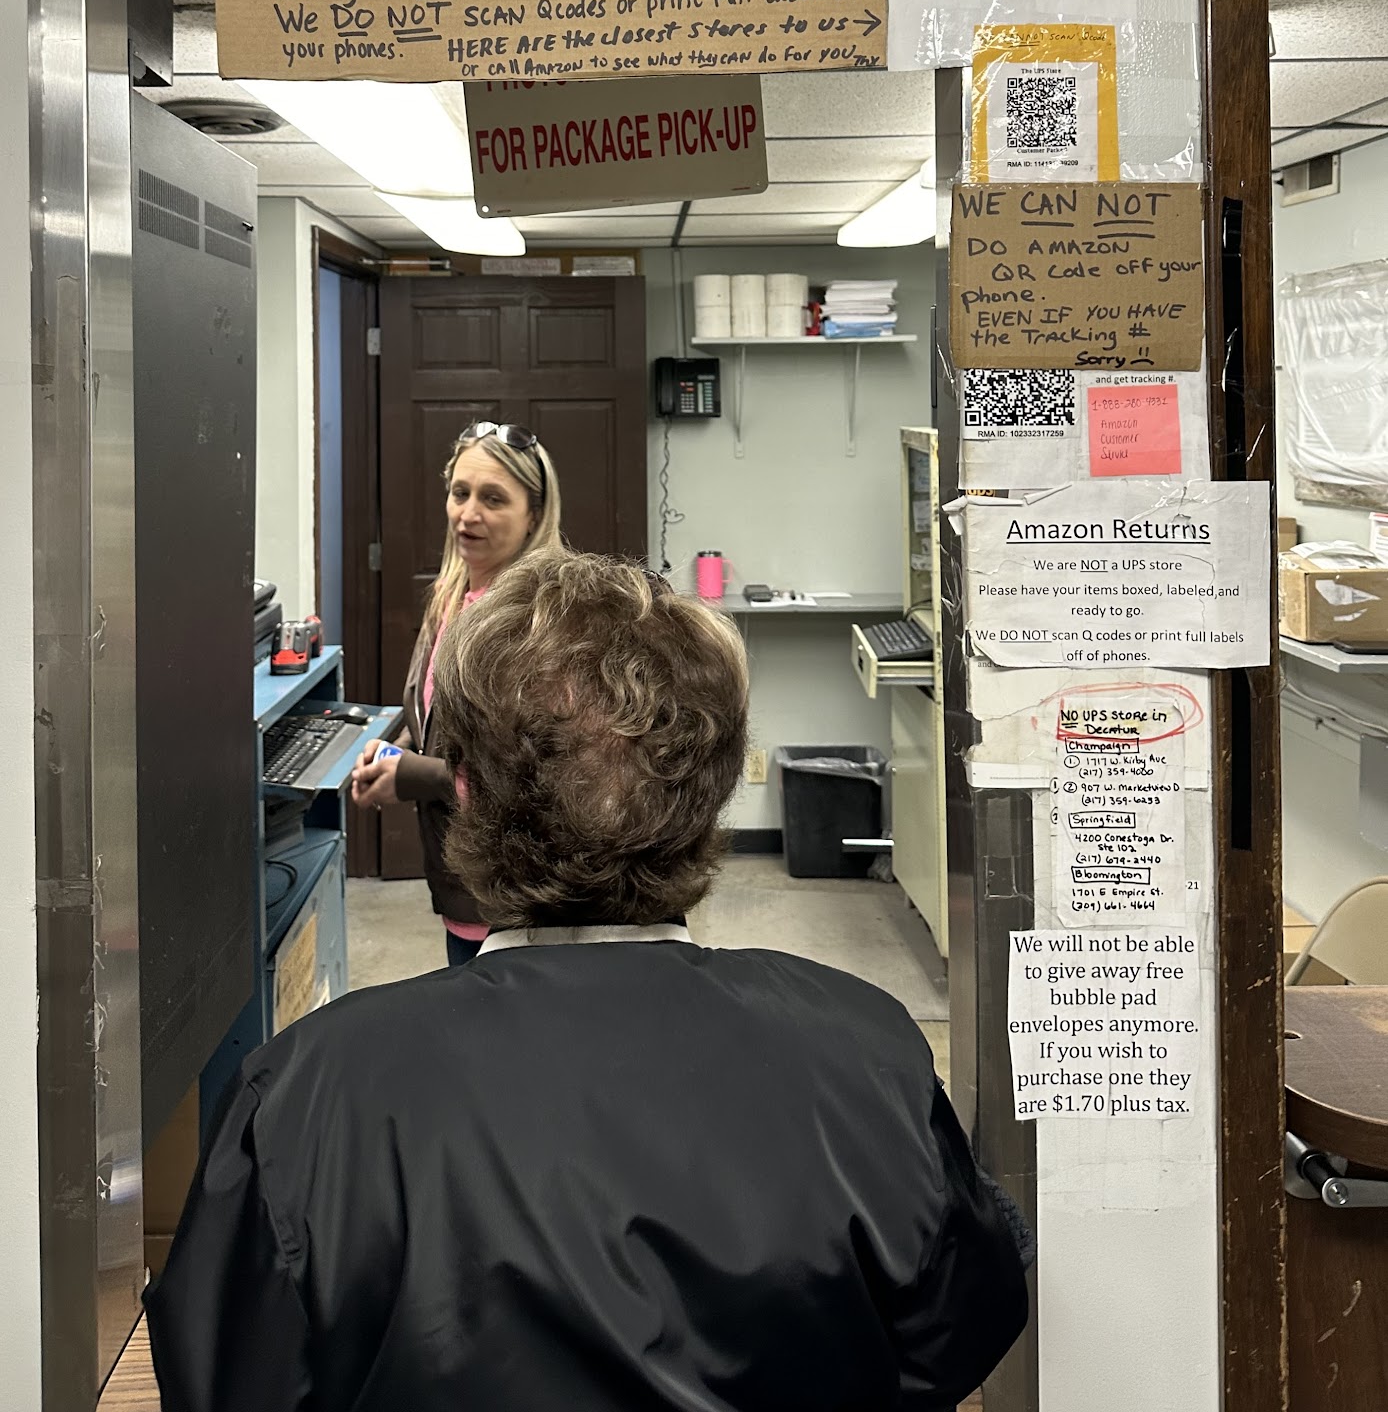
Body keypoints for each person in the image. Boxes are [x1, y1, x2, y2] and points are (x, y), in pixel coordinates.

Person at [148, 552, 1031, 1412]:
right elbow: (959, 1331)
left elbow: (224, 1376)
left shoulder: (304, 1099)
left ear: (466, 793)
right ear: (715, 789)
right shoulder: (870, 1056)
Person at [351, 419, 561, 965]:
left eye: (493, 498)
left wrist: (411, 776)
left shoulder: (536, 624)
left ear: (534, 515)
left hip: (520, 897)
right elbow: (432, 714)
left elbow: (533, 779)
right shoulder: (452, 597)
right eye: (460, 492)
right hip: (462, 884)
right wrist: (394, 748)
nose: (468, 514)